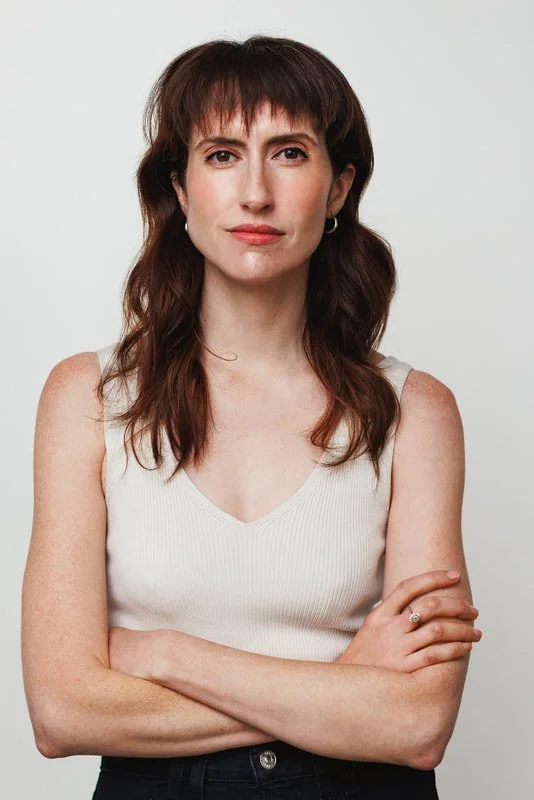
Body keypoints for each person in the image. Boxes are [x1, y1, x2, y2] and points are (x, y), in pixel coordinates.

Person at [21, 35, 482, 799]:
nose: (257, 194)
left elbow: (416, 724)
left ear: (338, 189)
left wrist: (163, 653)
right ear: (179, 186)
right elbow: (62, 710)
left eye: (291, 153)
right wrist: (341, 688)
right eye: (224, 154)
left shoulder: (415, 413)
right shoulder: (88, 398)